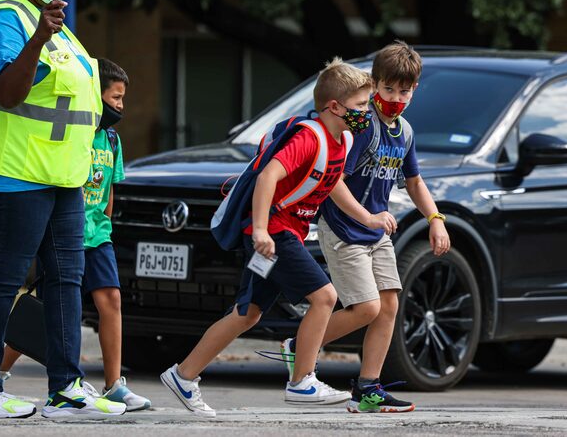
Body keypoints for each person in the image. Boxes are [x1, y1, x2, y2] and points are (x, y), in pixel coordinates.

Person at [0, 0, 125, 420]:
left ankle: (65, 389)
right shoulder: (6, 19)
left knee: (66, 281)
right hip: (15, 172)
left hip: (63, 177)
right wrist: (37, 37)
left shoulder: (62, 26)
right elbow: (8, 94)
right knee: (5, 281)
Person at [160, 58, 396, 417]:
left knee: (246, 313)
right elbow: (269, 176)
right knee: (324, 297)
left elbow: (331, 185)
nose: (367, 111)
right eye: (361, 105)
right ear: (335, 106)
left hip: (282, 233)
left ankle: (183, 375)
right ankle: (302, 381)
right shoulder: (309, 136)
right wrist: (257, 230)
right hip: (272, 230)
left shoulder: (342, 140)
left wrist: (369, 217)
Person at [300, 41, 450, 413]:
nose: (396, 98)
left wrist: (435, 220)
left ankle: (368, 387)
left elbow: (414, 181)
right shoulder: (361, 125)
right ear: (374, 83)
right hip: (344, 228)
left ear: (415, 89)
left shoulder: (406, 132)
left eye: (405, 91)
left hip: (376, 232)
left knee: (388, 306)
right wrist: (365, 217)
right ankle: (300, 346)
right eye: (387, 89)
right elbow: (333, 179)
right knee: (366, 308)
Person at [0, 58, 151, 411]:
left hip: (97, 235)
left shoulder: (112, 139)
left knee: (110, 299)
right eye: (115, 97)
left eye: (122, 98)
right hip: (62, 234)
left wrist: (106, 225)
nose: (120, 106)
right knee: (50, 309)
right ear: (93, 96)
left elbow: (110, 187)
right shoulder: (71, 130)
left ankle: (114, 384)